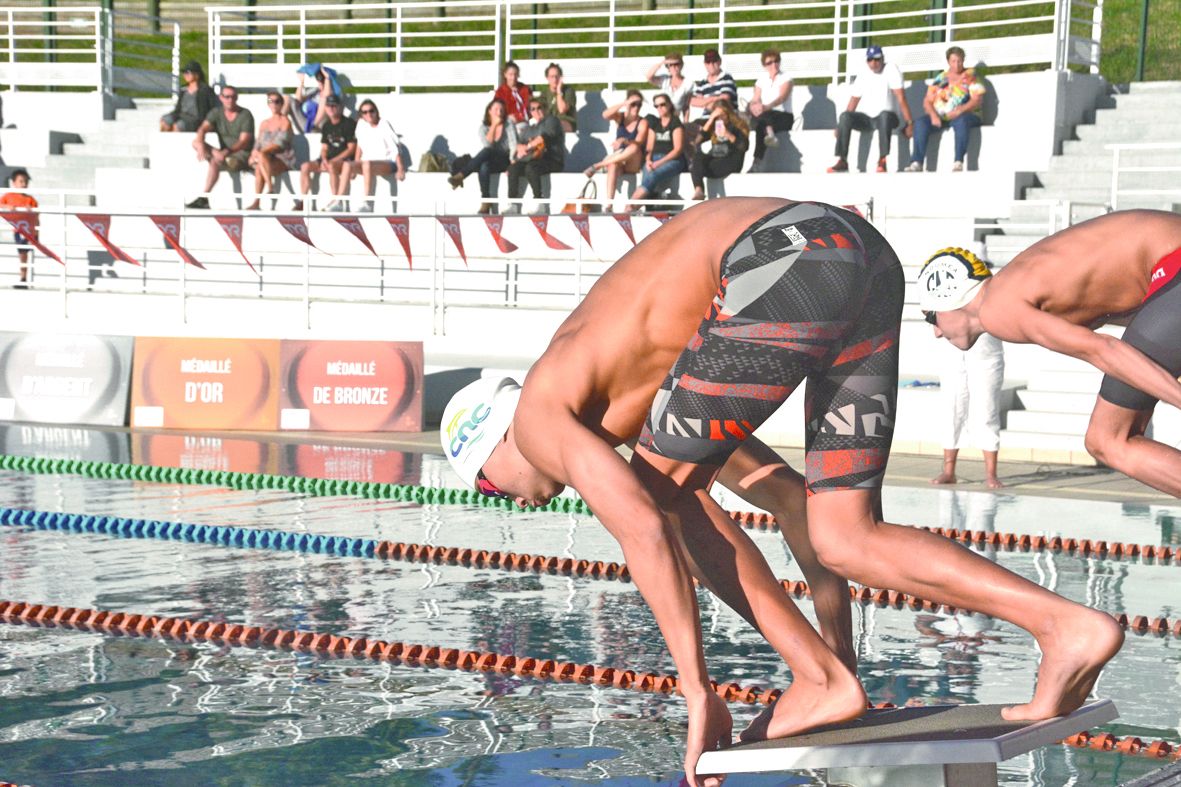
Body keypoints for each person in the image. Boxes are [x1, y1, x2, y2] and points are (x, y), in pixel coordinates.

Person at [442, 198, 1123, 786]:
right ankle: (1063, 624)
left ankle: (819, 678)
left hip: (780, 257)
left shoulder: (537, 414)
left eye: (490, 488)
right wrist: (841, 666)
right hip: (856, 258)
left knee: (664, 496)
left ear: (493, 442)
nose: (514, 501)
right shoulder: (655, 388)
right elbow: (789, 503)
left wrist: (698, 690)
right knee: (844, 531)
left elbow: (648, 525)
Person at [920, 209, 1181, 498]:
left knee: (1108, 439)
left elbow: (1104, 350)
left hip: (1173, 267)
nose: (937, 332)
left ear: (950, 300)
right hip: (1170, 269)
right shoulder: (1018, 283)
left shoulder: (996, 310)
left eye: (932, 318)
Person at [924, 248, 1005, 489]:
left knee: (987, 411)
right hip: (954, 356)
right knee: (953, 409)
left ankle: (991, 473)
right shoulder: (945, 296)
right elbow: (937, 330)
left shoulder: (993, 295)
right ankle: (949, 470)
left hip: (986, 357)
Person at [829, 44, 914, 174]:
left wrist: (909, 123)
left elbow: (901, 97)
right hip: (868, 118)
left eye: (877, 59)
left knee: (884, 116)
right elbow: (854, 99)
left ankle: (882, 159)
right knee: (845, 117)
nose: (873, 63)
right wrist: (840, 126)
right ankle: (842, 160)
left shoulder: (891, 69)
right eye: (870, 60)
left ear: (882, 59)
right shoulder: (863, 73)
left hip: (889, 117)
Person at [905, 46, 985, 172]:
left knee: (961, 121)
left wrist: (960, 110)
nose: (957, 64)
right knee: (920, 123)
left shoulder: (970, 76)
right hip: (941, 115)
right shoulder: (941, 77)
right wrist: (933, 115)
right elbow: (927, 101)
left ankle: (958, 161)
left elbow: (977, 99)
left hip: (965, 114)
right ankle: (917, 161)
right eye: (953, 61)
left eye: (959, 61)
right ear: (948, 61)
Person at [186, 85, 255, 210]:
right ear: (221, 98)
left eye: (233, 97)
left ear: (237, 98)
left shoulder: (245, 114)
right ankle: (205, 198)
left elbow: (244, 141)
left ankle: (204, 197)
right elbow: (202, 129)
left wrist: (226, 152)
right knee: (196, 143)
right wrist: (201, 144)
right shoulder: (216, 112)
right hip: (225, 153)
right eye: (227, 97)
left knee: (215, 161)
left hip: (241, 154)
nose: (230, 100)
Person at [448, 98, 518, 215]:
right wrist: (494, 125)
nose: (499, 112)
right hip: (490, 160)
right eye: (496, 109)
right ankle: (486, 201)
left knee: (486, 153)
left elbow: (513, 144)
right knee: (484, 166)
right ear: (489, 111)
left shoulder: (508, 124)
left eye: (501, 109)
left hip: (505, 159)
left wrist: (512, 161)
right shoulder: (483, 128)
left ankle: (461, 175)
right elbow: (488, 144)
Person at [336, 99, 405, 213]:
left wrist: (401, 169)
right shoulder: (361, 125)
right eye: (365, 112)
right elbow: (360, 146)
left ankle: (368, 203)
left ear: (376, 111)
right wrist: (355, 163)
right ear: (361, 115)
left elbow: (395, 149)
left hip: (388, 162)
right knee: (348, 165)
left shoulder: (384, 124)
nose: (369, 114)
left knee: (367, 164)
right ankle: (338, 202)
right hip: (366, 163)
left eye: (371, 111)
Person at [582, 90, 648, 207]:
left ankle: (598, 165)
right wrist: (624, 103)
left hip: (633, 160)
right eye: (633, 104)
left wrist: (624, 141)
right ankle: (609, 204)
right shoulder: (621, 118)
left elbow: (639, 142)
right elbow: (605, 114)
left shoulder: (642, 122)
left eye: (639, 104)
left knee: (633, 147)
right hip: (618, 159)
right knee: (613, 165)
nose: (636, 107)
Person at [295, 93, 355, 212]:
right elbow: (324, 148)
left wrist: (332, 160)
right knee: (305, 166)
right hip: (328, 159)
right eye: (328, 106)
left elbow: (351, 149)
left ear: (340, 107)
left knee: (332, 166)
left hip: (343, 160)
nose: (331, 108)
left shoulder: (349, 123)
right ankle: (303, 201)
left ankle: (336, 201)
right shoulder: (326, 125)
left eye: (334, 105)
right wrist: (324, 159)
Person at [625, 92, 684, 211]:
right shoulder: (655, 123)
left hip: (672, 160)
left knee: (653, 175)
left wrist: (659, 163)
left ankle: (631, 206)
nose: (660, 108)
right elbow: (649, 147)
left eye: (662, 104)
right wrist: (648, 160)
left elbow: (677, 150)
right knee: (647, 175)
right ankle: (643, 206)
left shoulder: (675, 122)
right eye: (657, 106)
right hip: (655, 158)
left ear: (669, 105)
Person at [506, 98, 564, 215]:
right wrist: (520, 149)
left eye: (539, 108)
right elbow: (520, 144)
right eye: (533, 109)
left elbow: (544, 137)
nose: (536, 111)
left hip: (552, 159)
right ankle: (513, 204)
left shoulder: (552, 120)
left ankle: (540, 202)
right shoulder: (529, 129)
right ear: (530, 112)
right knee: (513, 168)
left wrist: (527, 146)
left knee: (531, 168)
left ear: (545, 109)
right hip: (533, 159)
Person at [246, 91, 296, 211]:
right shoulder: (264, 123)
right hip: (266, 160)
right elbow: (258, 143)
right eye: (270, 101)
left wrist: (260, 152)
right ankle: (261, 198)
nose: (273, 104)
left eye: (277, 101)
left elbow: (280, 144)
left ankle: (269, 188)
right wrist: (254, 153)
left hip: (282, 159)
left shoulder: (285, 122)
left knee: (262, 157)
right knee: (259, 165)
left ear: (281, 104)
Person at [688, 100, 747, 201]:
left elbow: (743, 147)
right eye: (717, 117)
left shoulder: (738, 126)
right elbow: (697, 142)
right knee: (698, 157)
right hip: (716, 160)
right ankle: (699, 190)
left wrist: (728, 134)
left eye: (723, 115)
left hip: (731, 160)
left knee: (699, 166)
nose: (720, 119)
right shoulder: (713, 125)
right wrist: (710, 120)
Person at [747, 49, 793, 172]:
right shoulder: (761, 79)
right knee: (761, 123)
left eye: (776, 61)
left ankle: (757, 162)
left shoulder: (786, 78)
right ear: (764, 65)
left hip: (783, 116)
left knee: (763, 119)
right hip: (766, 115)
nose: (774, 65)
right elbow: (755, 98)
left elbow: (783, 97)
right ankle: (768, 133)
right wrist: (754, 106)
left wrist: (766, 106)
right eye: (770, 63)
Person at [1, 168, 36, 288]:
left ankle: (23, 278)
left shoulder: (30, 199)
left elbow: (37, 216)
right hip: (17, 230)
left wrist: (30, 212)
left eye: (26, 181)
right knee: (22, 253)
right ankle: (23, 278)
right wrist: (7, 206)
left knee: (23, 254)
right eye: (21, 181)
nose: (24, 184)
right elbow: (1, 204)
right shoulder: (8, 196)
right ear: (14, 182)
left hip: (27, 230)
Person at [160, 61, 217, 133]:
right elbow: (178, 108)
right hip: (181, 115)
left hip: (197, 119)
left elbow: (212, 108)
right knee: (164, 121)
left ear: (197, 74)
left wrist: (209, 122)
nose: (185, 75)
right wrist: (172, 116)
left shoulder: (205, 90)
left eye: (188, 72)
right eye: (184, 72)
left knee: (178, 126)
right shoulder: (183, 89)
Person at [285, 63, 340, 133]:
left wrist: (327, 78)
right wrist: (301, 82)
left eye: (322, 82)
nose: (321, 84)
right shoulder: (315, 91)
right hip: (305, 122)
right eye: (319, 81)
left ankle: (313, 125)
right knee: (287, 98)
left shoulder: (330, 94)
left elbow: (326, 95)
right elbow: (298, 99)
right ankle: (279, 120)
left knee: (324, 100)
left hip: (318, 125)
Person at [645, 52, 692, 121]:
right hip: (660, 118)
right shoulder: (665, 80)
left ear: (681, 65)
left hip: (674, 119)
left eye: (676, 64)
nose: (673, 67)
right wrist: (662, 63)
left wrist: (686, 122)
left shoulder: (687, 84)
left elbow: (686, 107)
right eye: (670, 65)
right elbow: (649, 76)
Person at [539, 62, 577, 133]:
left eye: (557, 76)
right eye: (552, 77)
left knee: (554, 125)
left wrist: (559, 91)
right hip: (549, 123)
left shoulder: (569, 91)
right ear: (547, 78)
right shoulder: (544, 94)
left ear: (561, 77)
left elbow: (562, 109)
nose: (555, 79)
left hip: (567, 122)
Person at [493, 61, 532, 126]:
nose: (513, 78)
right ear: (505, 75)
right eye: (510, 75)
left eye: (515, 74)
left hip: (524, 122)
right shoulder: (500, 92)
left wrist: (520, 116)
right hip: (507, 123)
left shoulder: (525, 89)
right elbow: (497, 111)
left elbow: (531, 106)